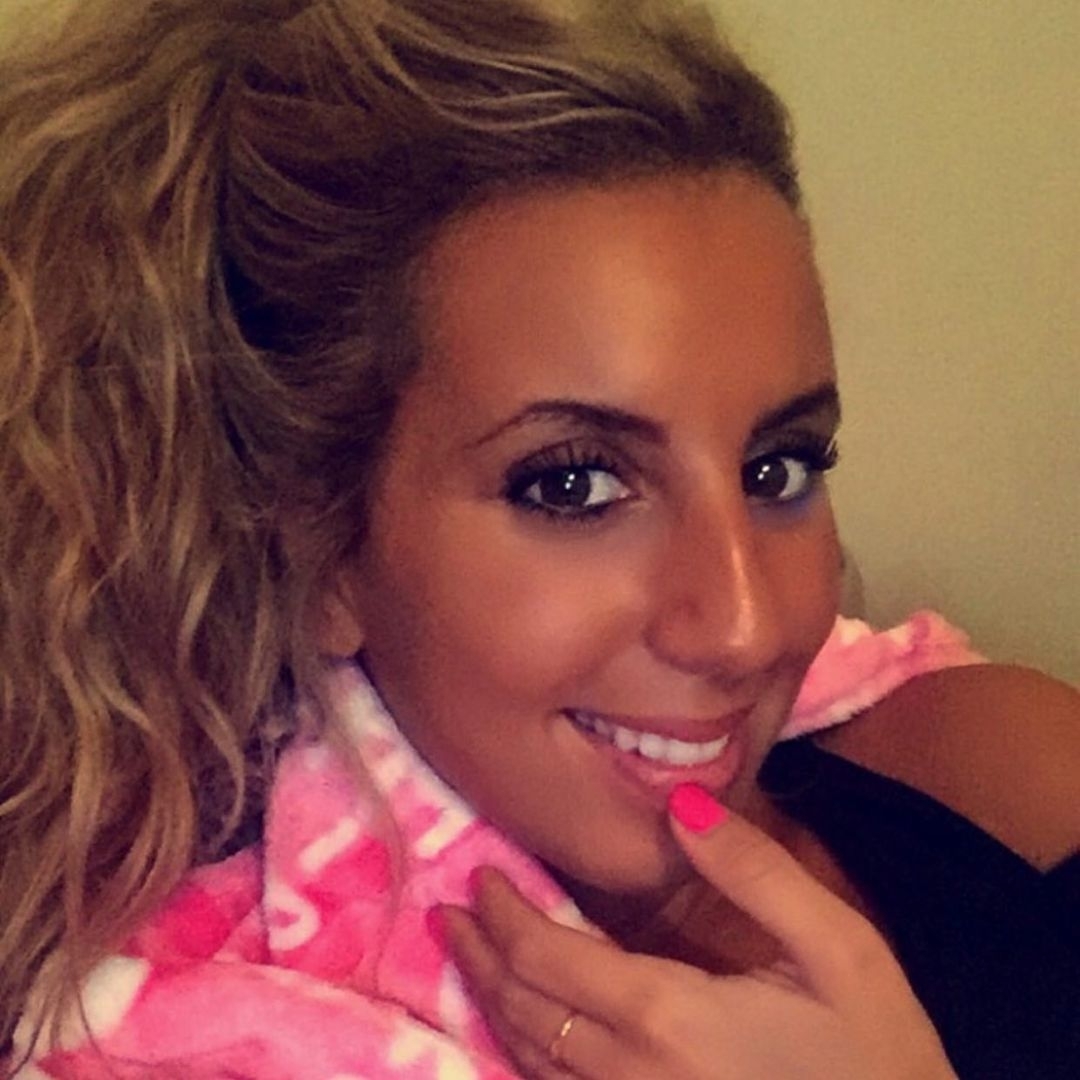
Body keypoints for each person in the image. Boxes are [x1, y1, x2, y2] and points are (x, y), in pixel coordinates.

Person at [0, 0, 1076, 1076]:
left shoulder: (997, 773)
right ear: (322, 545)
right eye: (574, 485)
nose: (745, 626)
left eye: (778, 468)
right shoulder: (194, 1044)